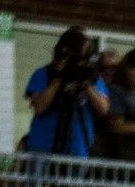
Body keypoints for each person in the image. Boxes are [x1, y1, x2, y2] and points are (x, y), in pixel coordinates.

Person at [23, 27, 109, 158]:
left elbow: (104, 109)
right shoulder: (44, 74)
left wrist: (85, 82)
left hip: (78, 150)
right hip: (43, 149)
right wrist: (60, 76)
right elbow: (39, 107)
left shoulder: (92, 78)